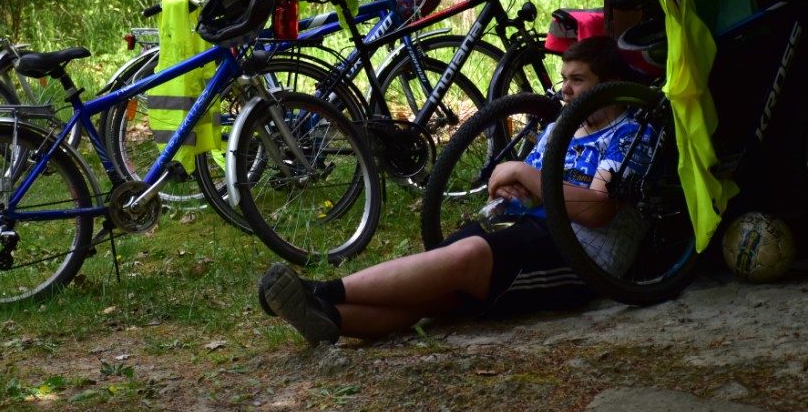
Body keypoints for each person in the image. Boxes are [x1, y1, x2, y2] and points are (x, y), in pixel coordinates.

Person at [257, 35, 650, 344]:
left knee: (466, 259)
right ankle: (329, 318)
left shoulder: (631, 133)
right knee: (439, 288)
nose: (564, 90)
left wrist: (524, 176)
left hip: (581, 253)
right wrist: (512, 185)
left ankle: (318, 291)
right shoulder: (562, 126)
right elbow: (522, 184)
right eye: (564, 78)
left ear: (610, 85)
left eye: (578, 80)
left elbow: (597, 209)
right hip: (529, 226)